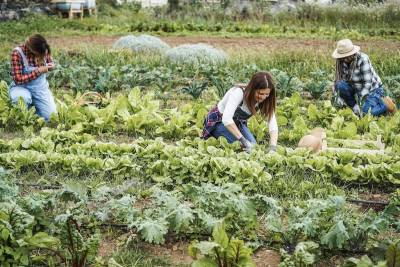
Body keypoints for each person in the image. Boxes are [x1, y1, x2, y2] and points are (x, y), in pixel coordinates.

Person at [202, 71, 278, 153]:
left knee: (253, 146)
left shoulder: (265, 100)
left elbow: (273, 124)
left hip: (237, 123)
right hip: (218, 122)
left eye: (266, 94)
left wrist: (273, 147)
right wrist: (243, 140)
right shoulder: (238, 93)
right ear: (253, 89)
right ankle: (215, 134)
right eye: (260, 93)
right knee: (247, 149)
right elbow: (226, 119)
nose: (263, 97)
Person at [332, 38, 396, 117]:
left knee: (365, 114)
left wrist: (361, 103)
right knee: (339, 84)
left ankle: (386, 105)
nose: (344, 59)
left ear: (352, 53)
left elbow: (367, 84)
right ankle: (354, 107)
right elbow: (337, 81)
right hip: (356, 88)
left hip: (372, 90)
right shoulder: (341, 61)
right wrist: (337, 99)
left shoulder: (363, 59)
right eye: (342, 56)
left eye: (346, 56)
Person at [9, 34, 57, 121]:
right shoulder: (17, 53)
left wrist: (51, 66)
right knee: (21, 99)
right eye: (39, 55)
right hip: (21, 87)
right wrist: (38, 71)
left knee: (51, 117)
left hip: (40, 88)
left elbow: (51, 62)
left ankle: (32, 111)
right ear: (32, 50)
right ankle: (23, 115)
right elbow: (18, 79)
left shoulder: (43, 49)